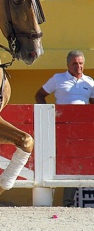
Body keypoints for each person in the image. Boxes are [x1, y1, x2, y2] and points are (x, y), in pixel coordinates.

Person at [35, 50, 94, 207]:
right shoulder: (58, 79)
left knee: (75, 162)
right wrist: (46, 117)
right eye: (75, 63)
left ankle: (67, 203)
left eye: (81, 63)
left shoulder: (90, 82)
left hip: (81, 130)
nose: (78, 66)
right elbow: (39, 95)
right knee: (52, 161)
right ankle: (48, 200)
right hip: (61, 128)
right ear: (68, 64)